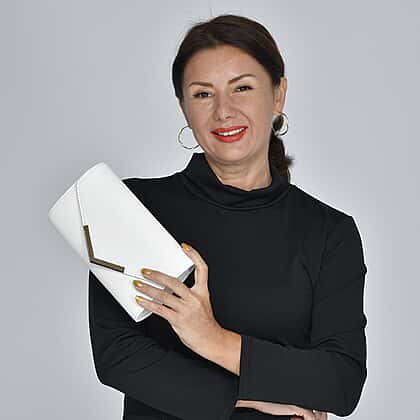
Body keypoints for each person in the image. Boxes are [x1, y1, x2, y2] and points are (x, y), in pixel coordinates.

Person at [88, 14, 367, 420]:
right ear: (184, 107)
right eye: (203, 94)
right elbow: (118, 355)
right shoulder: (133, 207)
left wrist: (212, 340)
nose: (223, 110)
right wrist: (248, 396)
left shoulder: (329, 232)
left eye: (242, 88)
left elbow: (341, 382)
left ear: (278, 95)